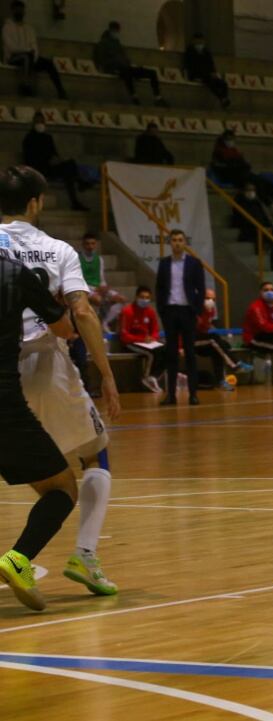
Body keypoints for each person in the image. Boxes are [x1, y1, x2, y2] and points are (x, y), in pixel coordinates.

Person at [0, 165, 123, 602]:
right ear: (36, 203)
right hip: (46, 365)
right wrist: (106, 374)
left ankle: (24, 555)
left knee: (38, 470)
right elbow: (82, 313)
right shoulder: (57, 250)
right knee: (94, 454)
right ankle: (84, 556)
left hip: (4, 367)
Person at [0, 253, 79, 611]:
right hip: (5, 406)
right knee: (62, 488)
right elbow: (64, 329)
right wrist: (59, 307)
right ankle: (19, 559)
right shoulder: (15, 272)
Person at [156, 229, 205, 406]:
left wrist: (196, 310)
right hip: (170, 311)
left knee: (190, 353)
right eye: (174, 240)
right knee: (171, 354)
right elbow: (159, 288)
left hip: (187, 311)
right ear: (170, 243)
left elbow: (201, 288)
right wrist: (162, 310)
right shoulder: (164, 263)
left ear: (185, 242)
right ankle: (171, 395)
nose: (177, 243)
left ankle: (193, 394)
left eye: (180, 240)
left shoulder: (194, 263)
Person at [212, 130, 273, 219]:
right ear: (223, 139)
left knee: (267, 183)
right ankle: (271, 206)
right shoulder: (218, 151)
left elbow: (243, 164)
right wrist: (238, 165)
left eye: (232, 139)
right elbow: (225, 167)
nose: (230, 142)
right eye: (228, 139)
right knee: (257, 184)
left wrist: (240, 165)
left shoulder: (234, 151)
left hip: (243, 174)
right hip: (233, 177)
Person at [22, 112, 89, 211]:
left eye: (42, 121)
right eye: (38, 121)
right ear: (33, 123)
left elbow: (54, 155)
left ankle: (76, 197)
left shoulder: (48, 138)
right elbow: (28, 159)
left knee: (70, 165)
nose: (40, 124)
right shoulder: (29, 138)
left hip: (48, 167)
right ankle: (80, 183)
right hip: (37, 169)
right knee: (67, 171)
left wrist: (58, 161)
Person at [93, 20, 167, 107]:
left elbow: (124, 57)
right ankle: (134, 97)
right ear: (110, 30)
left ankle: (157, 97)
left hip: (125, 67)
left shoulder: (117, 43)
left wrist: (127, 62)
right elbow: (101, 59)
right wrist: (111, 65)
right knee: (127, 73)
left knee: (152, 73)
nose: (116, 33)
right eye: (115, 31)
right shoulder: (103, 44)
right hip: (114, 68)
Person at [3, 1, 67, 99]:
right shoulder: (7, 28)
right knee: (26, 57)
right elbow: (12, 47)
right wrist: (28, 51)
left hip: (30, 57)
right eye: (17, 10)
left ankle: (60, 90)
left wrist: (34, 57)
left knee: (48, 63)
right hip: (13, 58)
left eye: (21, 10)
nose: (20, 12)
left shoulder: (29, 29)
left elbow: (34, 46)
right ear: (13, 11)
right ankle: (25, 85)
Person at [196, 288, 252, 391]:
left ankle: (220, 381)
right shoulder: (194, 309)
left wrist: (207, 317)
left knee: (220, 347)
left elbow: (204, 327)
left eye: (213, 299)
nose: (210, 301)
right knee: (214, 338)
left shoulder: (211, 311)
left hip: (201, 340)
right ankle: (236, 365)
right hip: (189, 341)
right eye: (207, 298)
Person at [233, 181, 273, 271]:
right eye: (248, 190)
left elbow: (264, 217)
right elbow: (241, 219)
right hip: (250, 229)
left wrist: (271, 227)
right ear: (243, 191)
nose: (251, 192)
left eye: (253, 190)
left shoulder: (257, 202)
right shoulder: (240, 203)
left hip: (263, 228)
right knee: (269, 234)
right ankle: (264, 250)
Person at [79, 231, 126, 332]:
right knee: (98, 299)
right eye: (87, 244)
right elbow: (78, 279)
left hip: (97, 287)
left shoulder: (99, 259)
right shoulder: (77, 259)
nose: (90, 246)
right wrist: (94, 289)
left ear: (96, 244)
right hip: (84, 288)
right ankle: (96, 324)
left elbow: (101, 278)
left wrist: (104, 287)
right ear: (83, 244)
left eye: (92, 243)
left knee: (121, 299)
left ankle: (105, 322)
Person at [120, 286, 164, 392]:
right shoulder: (127, 311)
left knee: (167, 350)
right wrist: (141, 339)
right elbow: (124, 335)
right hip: (131, 343)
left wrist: (152, 338)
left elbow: (155, 330)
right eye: (142, 297)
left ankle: (154, 377)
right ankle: (146, 377)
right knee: (151, 354)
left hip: (147, 342)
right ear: (136, 297)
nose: (144, 300)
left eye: (147, 297)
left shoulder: (150, 312)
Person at [183, 32, 230, 109]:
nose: (200, 44)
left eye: (201, 42)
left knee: (223, 84)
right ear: (194, 41)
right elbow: (190, 65)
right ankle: (222, 99)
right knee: (210, 82)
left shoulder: (206, 52)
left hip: (208, 75)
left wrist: (213, 73)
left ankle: (224, 98)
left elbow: (211, 64)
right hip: (196, 74)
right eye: (198, 41)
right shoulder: (189, 51)